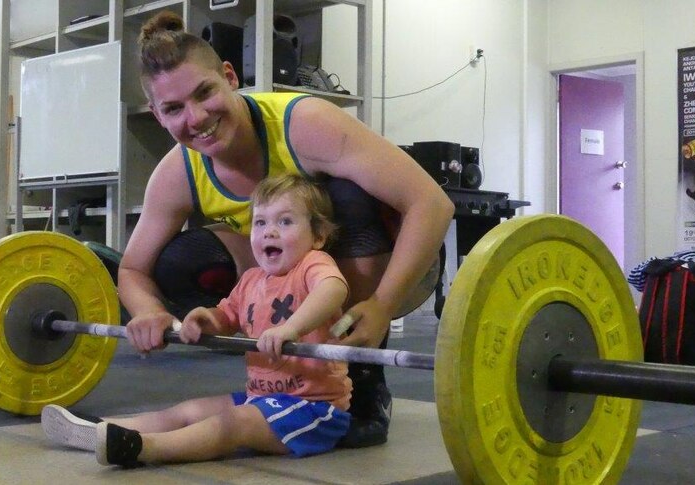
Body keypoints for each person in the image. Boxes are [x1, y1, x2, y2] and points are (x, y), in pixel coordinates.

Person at [117, 10, 453, 448]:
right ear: (158, 116)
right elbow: (133, 270)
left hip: (399, 266)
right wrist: (148, 312)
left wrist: (383, 305)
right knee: (181, 262)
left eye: (205, 93)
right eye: (174, 109)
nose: (196, 118)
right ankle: (285, 378)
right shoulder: (177, 172)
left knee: (347, 199)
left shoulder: (305, 123)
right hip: (292, 284)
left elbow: (431, 203)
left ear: (230, 76)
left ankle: (365, 380)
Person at [44, 174, 352, 467]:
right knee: (189, 411)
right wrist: (207, 320)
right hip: (262, 397)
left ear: (319, 236)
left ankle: (143, 448)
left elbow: (333, 289)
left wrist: (291, 328)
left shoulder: (313, 265)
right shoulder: (251, 279)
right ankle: (102, 429)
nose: (269, 231)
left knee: (235, 423)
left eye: (285, 221)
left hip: (314, 409)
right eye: (260, 223)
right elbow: (227, 316)